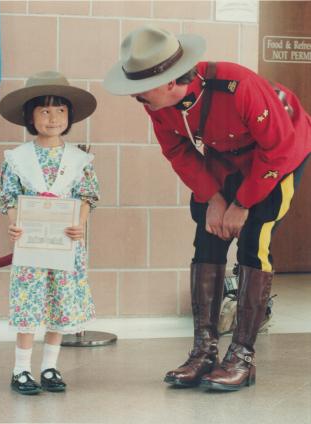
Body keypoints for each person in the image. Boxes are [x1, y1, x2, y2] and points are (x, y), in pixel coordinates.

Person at [103, 26, 311, 392]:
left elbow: (278, 149)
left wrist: (243, 203)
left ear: (169, 81)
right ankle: (204, 352)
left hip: (277, 156)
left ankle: (242, 357)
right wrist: (214, 199)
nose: (135, 95)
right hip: (224, 159)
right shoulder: (156, 103)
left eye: (141, 87)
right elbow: (178, 152)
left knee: (253, 242)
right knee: (208, 239)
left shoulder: (237, 86)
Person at [0, 71, 100, 395]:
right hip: (31, 245)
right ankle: (22, 370)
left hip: (66, 244)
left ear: (69, 116)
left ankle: (50, 367)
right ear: (30, 116)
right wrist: (14, 223)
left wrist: (80, 222)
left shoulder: (79, 159)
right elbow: (9, 196)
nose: (52, 118)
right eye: (44, 110)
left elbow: (88, 195)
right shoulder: (17, 158)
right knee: (30, 304)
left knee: (60, 303)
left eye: (60, 111)